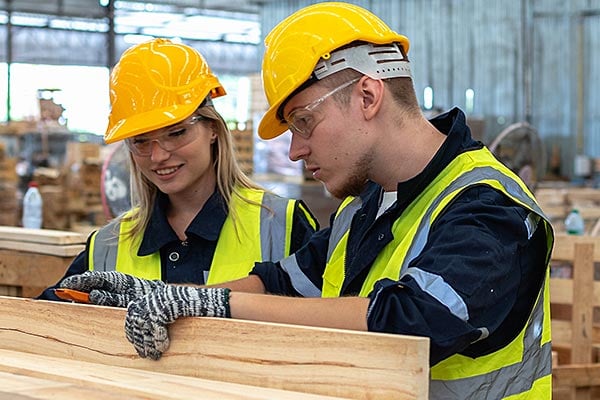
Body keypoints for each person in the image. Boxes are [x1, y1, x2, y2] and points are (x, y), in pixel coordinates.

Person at [59, 3, 554, 398]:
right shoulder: (365, 207)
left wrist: (213, 303)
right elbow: (285, 282)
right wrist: (160, 299)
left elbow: (410, 323)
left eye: (302, 122)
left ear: (366, 96)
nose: (295, 150)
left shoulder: (488, 207)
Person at [39, 38, 317, 302]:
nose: (158, 155)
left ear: (212, 129)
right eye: (141, 141)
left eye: (176, 133)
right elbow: (44, 320)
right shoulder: (107, 245)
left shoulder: (280, 224)